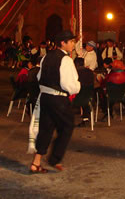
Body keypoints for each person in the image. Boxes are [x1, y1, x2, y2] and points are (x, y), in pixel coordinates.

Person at [28, 30, 80, 173]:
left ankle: (36, 162)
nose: (73, 44)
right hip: (58, 99)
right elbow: (69, 84)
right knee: (67, 126)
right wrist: (77, 88)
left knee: (46, 128)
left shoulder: (45, 57)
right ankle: (54, 158)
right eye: (71, 41)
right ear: (63, 43)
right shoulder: (66, 60)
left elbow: (39, 77)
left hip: (45, 97)